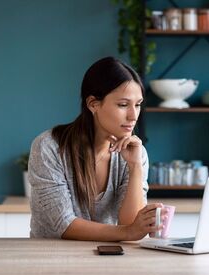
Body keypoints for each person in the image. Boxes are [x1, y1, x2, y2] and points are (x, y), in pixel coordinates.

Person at [28, 56, 163, 241]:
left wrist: (135, 167)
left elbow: (132, 224)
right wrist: (128, 231)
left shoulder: (135, 152)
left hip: (104, 258)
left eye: (137, 105)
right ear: (93, 104)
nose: (133, 116)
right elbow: (64, 225)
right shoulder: (49, 147)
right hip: (51, 261)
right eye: (123, 105)